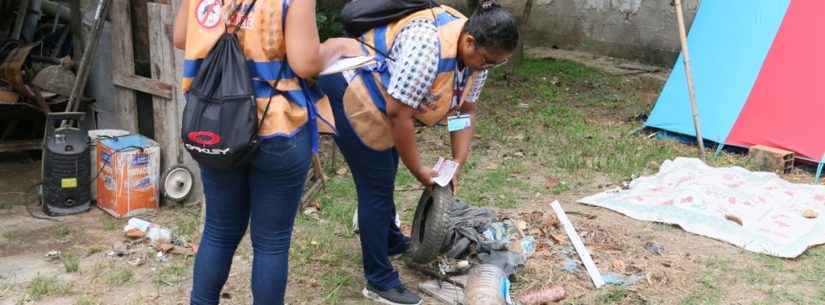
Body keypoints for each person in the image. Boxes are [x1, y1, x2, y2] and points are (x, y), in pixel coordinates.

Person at [317, 1, 519, 304]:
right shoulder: (429, 45)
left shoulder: (480, 56)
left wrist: (456, 161)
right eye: (487, 61)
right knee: (376, 183)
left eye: (495, 64)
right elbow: (399, 114)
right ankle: (378, 280)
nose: (487, 68)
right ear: (469, 42)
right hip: (352, 86)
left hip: (385, 96)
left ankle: (389, 239)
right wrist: (419, 171)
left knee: (383, 172)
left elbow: (464, 109)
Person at [173, 0, 334, 304]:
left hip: (219, 128)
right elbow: (305, 64)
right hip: (277, 127)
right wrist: (331, 48)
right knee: (271, 242)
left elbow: (182, 38)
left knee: (218, 232)